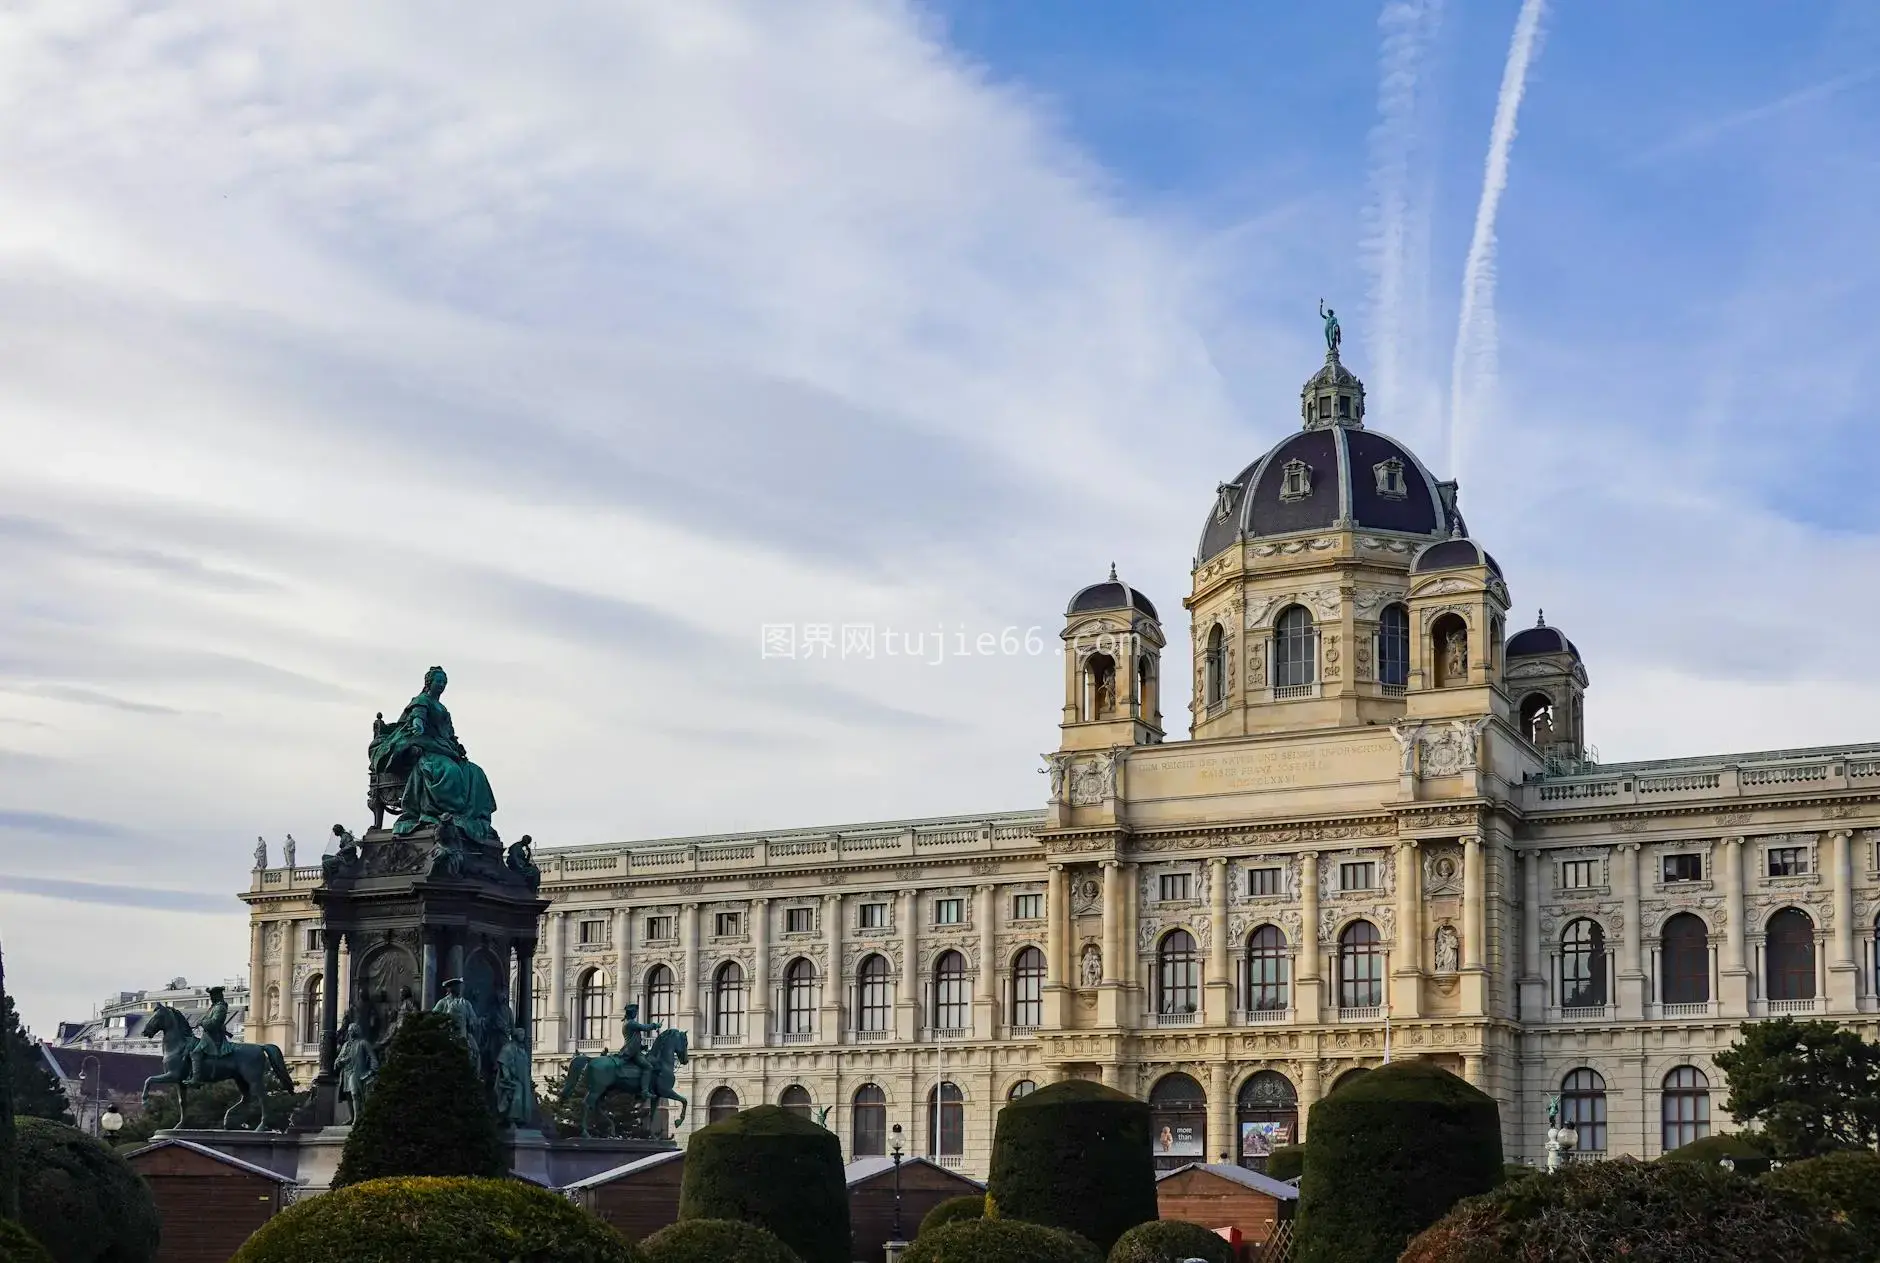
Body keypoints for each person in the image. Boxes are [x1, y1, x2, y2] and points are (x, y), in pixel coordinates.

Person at [369, 666, 499, 841]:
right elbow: (418, 717)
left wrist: (457, 746)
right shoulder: (422, 700)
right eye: (439, 681)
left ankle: (470, 817)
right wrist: (418, 724)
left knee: (475, 772)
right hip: (426, 747)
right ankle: (442, 814)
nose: (442, 685)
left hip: (444, 748)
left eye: (444, 682)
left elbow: (450, 734)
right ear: (429, 683)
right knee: (449, 771)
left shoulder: (443, 708)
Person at [188, 985, 235, 1084]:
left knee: (196, 1053)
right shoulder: (214, 1007)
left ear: (217, 996)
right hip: (207, 1036)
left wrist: (202, 1022)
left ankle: (196, 1079)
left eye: (212, 996)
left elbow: (214, 1023)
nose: (210, 998)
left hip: (212, 1037)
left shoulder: (220, 1008)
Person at [432, 978, 482, 1062]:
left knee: (475, 1052)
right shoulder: (443, 1002)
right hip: (448, 1034)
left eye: (459, 986)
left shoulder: (465, 1003)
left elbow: (473, 1019)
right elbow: (434, 1016)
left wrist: (472, 1021)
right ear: (450, 988)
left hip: (463, 1035)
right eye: (456, 986)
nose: (459, 989)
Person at [619, 1002, 661, 1102]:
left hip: (633, 1049)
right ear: (631, 1013)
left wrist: (642, 1047)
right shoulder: (631, 1023)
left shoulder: (627, 1023)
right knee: (648, 1067)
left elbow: (633, 1039)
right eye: (635, 1012)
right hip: (632, 1052)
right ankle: (645, 1091)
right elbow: (644, 1028)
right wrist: (656, 1025)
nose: (636, 1014)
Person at [495, 1026, 535, 1127]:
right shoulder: (508, 1048)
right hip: (512, 1080)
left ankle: (521, 1120)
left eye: (523, 1035)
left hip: (523, 1079)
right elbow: (503, 1062)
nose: (523, 1037)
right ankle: (512, 1119)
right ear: (516, 1036)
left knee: (524, 1098)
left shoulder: (522, 1051)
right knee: (517, 1095)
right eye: (521, 1035)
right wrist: (507, 1076)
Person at [337, 1022, 378, 1115]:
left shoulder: (363, 1043)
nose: (350, 1033)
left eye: (352, 1031)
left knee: (354, 1093)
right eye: (349, 1031)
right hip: (345, 1072)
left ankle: (357, 1117)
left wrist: (372, 1070)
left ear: (356, 1031)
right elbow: (338, 1059)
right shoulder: (345, 1045)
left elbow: (372, 1057)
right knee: (348, 1096)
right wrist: (340, 1061)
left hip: (356, 1071)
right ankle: (352, 1117)